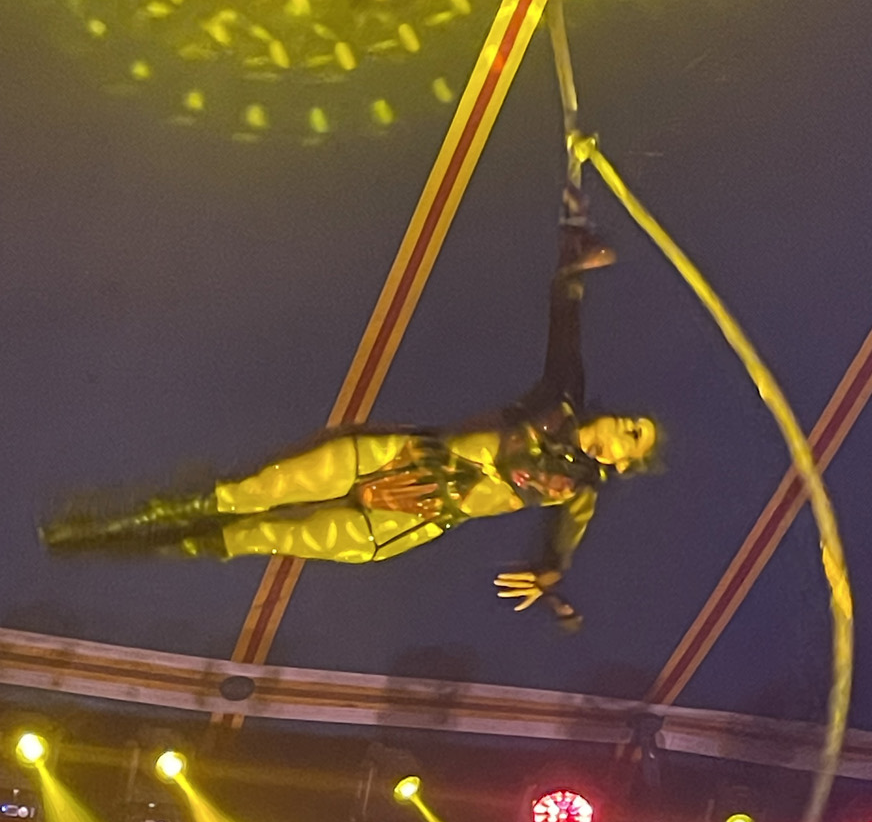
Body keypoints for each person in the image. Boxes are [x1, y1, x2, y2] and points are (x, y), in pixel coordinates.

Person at [41, 189, 658, 625]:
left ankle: (103, 549)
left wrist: (550, 580)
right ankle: (98, 525)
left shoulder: (577, 492)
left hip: (408, 520)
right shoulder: (563, 397)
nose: (622, 440)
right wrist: (573, 262)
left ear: (622, 468)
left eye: (633, 449)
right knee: (244, 492)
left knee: (261, 533)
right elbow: (565, 320)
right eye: (633, 426)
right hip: (395, 456)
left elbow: (559, 548)